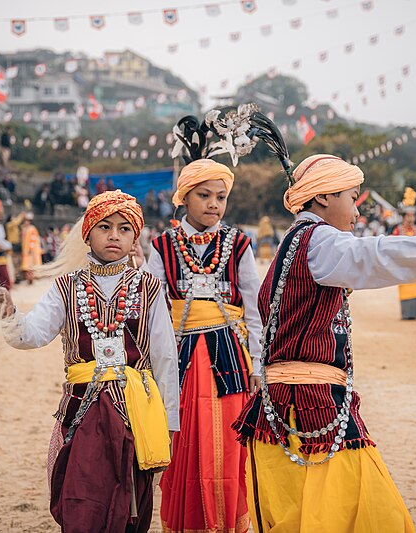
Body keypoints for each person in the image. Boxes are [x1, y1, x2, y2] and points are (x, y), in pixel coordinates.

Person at [231, 118, 416, 532]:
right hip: (311, 407)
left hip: (280, 409)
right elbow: (375, 256)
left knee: (298, 516)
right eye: (351, 198)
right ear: (322, 197)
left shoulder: (295, 242)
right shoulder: (320, 241)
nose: (358, 210)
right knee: (363, 515)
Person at [1, 190, 179, 532]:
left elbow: (164, 358)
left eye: (125, 229)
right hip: (81, 412)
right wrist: (7, 314)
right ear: (88, 233)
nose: (115, 235)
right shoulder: (66, 287)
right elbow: (31, 335)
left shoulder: (150, 288)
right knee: (81, 501)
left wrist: (170, 421)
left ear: (135, 236)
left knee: (129, 508)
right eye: (105, 227)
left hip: (135, 414)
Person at [147, 135, 262, 532]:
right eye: (204, 196)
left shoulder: (240, 244)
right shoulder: (161, 246)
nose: (213, 204)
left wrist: (259, 364)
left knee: (230, 448)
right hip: (179, 361)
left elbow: (256, 309)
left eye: (220, 197)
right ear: (184, 198)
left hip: (229, 358)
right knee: (183, 447)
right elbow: (150, 310)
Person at [391, 187, 416, 320]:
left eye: (412, 215)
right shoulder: (397, 230)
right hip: (403, 266)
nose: (411, 218)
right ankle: (407, 313)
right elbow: (391, 246)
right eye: (408, 215)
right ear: (403, 217)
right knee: (406, 290)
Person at [20, 212, 42, 284]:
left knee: (30, 266)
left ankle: (31, 279)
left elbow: (33, 239)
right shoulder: (24, 228)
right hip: (25, 250)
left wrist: (30, 248)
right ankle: (28, 279)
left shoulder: (32, 229)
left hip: (30, 251)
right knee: (27, 266)